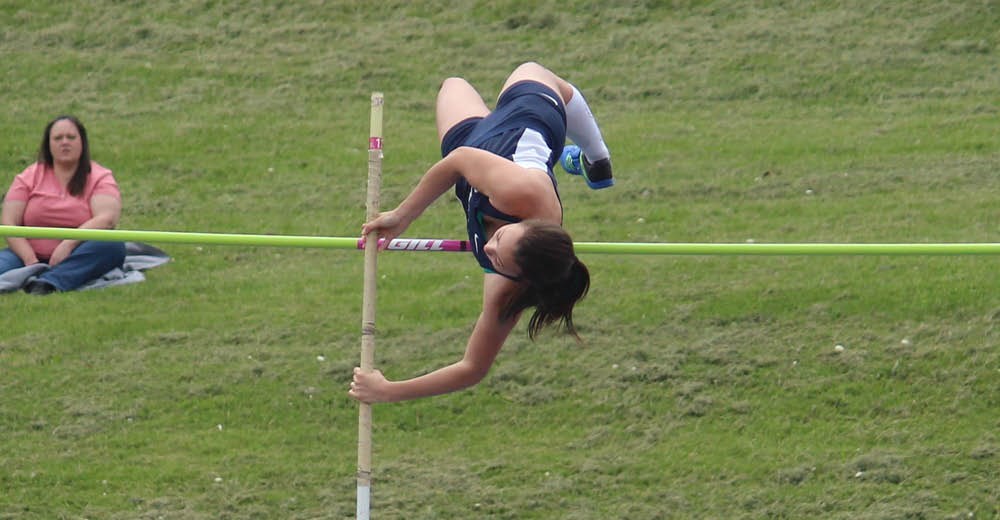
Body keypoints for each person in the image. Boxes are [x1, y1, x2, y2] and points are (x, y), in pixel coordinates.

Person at [349, 62, 613, 403]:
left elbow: (473, 368)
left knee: (452, 85)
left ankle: (580, 158)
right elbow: (459, 160)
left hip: (476, 158)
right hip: (525, 121)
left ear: (519, 276)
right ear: (528, 227)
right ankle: (597, 159)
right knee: (531, 70)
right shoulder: (522, 192)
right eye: (499, 241)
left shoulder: (511, 286)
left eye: (496, 260)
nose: (487, 250)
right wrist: (403, 216)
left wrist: (389, 391)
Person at [0, 115, 125, 295]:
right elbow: (8, 223)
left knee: (112, 245)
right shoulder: (29, 175)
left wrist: (68, 244)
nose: (64, 142)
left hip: (79, 253)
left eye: (71, 137)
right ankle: (38, 274)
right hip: (26, 255)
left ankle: (48, 283)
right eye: (58, 138)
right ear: (48, 144)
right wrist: (30, 260)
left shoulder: (100, 177)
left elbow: (107, 219)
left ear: (82, 142)